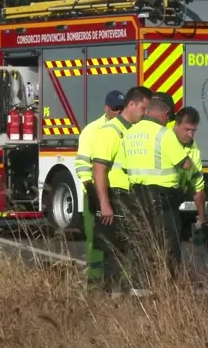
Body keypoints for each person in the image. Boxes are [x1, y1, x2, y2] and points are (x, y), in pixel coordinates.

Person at [122, 94, 193, 287]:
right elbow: (185, 164)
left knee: (141, 245)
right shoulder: (164, 134)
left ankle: (140, 288)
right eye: (168, 118)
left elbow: (123, 165)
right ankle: (168, 288)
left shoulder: (130, 133)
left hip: (137, 196)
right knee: (169, 246)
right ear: (166, 114)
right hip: (163, 199)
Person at [92, 86, 153, 295]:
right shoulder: (110, 132)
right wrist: (105, 203)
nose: (145, 113)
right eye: (143, 108)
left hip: (130, 196)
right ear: (132, 104)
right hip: (115, 196)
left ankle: (125, 293)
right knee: (114, 250)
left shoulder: (133, 130)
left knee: (130, 248)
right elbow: (99, 168)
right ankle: (110, 295)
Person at [75, 90, 125, 287]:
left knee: (121, 241)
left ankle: (120, 281)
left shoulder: (126, 128)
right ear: (106, 109)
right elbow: (82, 164)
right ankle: (95, 282)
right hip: (95, 192)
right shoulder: (92, 130)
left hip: (119, 193)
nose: (118, 113)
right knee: (96, 239)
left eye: (121, 109)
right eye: (115, 109)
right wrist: (91, 190)